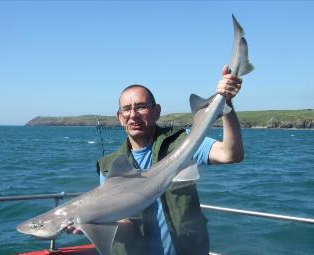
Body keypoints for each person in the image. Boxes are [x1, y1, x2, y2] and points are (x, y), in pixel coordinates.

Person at [66, 65, 243, 255]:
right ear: (120, 117)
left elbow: (230, 154)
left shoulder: (182, 143)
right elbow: (125, 225)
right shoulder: (109, 167)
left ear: (157, 111)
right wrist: (92, 224)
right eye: (126, 109)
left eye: (141, 107)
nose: (133, 115)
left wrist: (227, 104)